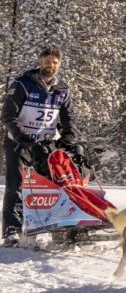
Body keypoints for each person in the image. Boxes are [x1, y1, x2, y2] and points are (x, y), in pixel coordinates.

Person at [2, 45, 91, 245]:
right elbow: (8, 115)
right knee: (16, 184)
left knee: (55, 183)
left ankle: (58, 225)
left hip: (45, 141)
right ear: (39, 62)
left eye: (54, 62)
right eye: (46, 61)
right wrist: (23, 139)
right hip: (18, 140)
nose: (50, 65)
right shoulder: (23, 84)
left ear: (59, 65)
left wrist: (68, 135)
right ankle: (12, 230)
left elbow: (68, 118)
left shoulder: (62, 89)